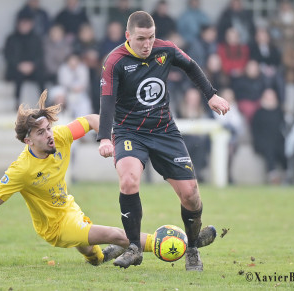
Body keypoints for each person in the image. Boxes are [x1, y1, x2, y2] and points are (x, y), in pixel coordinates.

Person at [0, 90, 153, 265]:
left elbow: (91, 120)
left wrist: (112, 141)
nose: (49, 135)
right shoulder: (21, 170)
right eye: (41, 133)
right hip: (55, 227)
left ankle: (98, 258)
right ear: (28, 141)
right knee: (114, 234)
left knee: (91, 249)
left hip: (68, 207)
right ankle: (161, 243)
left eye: (48, 129)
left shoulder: (59, 136)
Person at [97, 11, 227, 270]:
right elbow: (107, 100)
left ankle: (192, 248)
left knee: (191, 195)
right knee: (129, 179)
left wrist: (211, 95)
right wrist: (103, 138)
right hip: (129, 132)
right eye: (141, 38)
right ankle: (134, 247)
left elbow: (191, 66)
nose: (147, 44)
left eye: (151, 37)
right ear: (128, 36)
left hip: (164, 131)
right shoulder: (115, 61)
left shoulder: (165, 50)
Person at [4, 12, 44, 109]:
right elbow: (7, 55)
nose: (25, 26)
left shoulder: (36, 38)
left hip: (33, 69)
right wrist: (19, 65)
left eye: (27, 23)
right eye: (23, 23)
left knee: (42, 75)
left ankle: (43, 103)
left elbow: (40, 55)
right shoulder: (11, 38)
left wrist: (32, 65)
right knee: (18, 75)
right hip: (16, 69)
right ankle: (17, 102)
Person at [250, 88, 287, 184]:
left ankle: (287, 174)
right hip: (263, 142)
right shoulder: (259, 113)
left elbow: (283, 129)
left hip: (278, 141)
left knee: (283, 150)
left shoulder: (279, 112)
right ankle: (273, 176)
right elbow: (255, 131)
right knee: (269, 148)